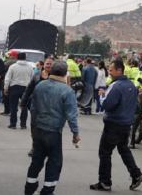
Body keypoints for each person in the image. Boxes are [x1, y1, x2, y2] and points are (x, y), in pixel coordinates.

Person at [24, 61, 80, 195]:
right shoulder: (67, 91)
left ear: (51, 71)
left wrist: (33, 128)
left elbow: (33, 108)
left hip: (38, 129)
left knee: (36, 160)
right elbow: (71, 115)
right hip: (53, 132)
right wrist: (75, 133)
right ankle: (47, 190)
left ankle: (29, 188)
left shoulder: (40, 86)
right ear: (65, 74)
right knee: (54, 163)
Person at [90, 60, 142, 192]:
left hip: (114, 125)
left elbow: (107, 105)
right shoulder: (131, 85)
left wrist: (102, 96)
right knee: (124, 149)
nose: (110, 72)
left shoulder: (116, 86)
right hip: (126, 125)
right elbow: (136, 107)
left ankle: (105, 182)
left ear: (119, 70)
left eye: (112, 69)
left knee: (104, 153)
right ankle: (136, 174)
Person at [4, 52, 34, 129]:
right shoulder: (30, 67)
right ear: (25, 58)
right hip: (26, 88)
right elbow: (32, 79)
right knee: (24, 107)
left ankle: (13, 124)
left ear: (17, 58)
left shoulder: (13, 66)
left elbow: (8, 78)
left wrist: (6, 88)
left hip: (14, 87)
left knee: (13, 107)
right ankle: (23, 124)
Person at [1, 50, 18, 115]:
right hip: (15, 82)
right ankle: (14, 110)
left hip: (7, 81)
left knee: (6, 97)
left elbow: (3, 69)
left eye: (10, 55)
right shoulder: (18, 62)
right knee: (14, 98)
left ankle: (7, 111)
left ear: (13, 56)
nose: (9, 56)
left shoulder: (8, 62)